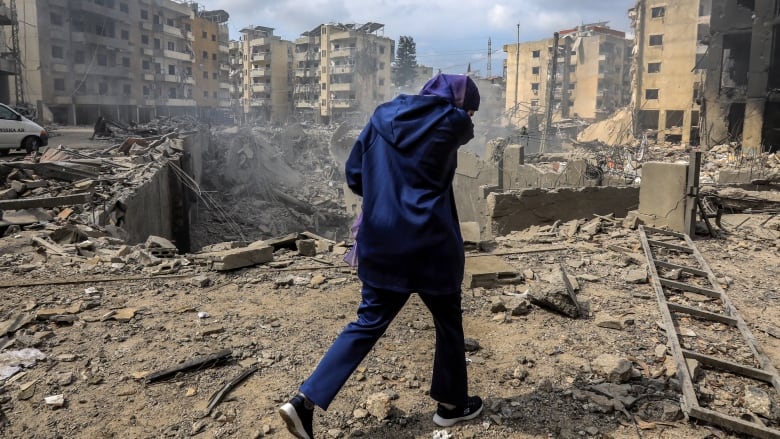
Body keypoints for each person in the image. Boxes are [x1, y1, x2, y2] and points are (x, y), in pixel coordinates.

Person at [278, 74, 483, 439]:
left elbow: (355, 176)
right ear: (459, 105)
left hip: (382, 240)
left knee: (367, 323)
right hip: (432, 244)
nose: (471, 118)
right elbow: (462, 124)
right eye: (470, 109)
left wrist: (386, 187)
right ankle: (451, 406)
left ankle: (304, 402)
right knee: (448, 322)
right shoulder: (454, 124)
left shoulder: (381, 117)